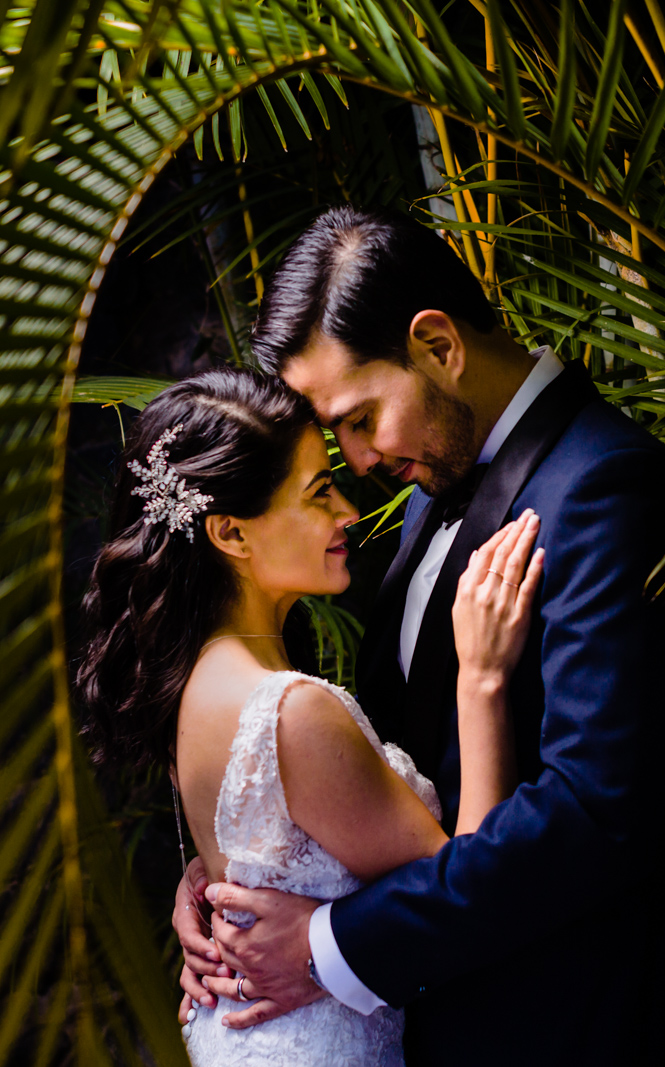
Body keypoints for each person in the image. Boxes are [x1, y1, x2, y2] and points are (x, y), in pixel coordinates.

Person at [169, 206, 665, 1065]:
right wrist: (244, 877)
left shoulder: (609, 487)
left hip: (561, 1028)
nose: (353, 459)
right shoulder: (431, 480)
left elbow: (592, 818)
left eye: (355, 417)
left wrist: (326, 945)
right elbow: (384, 766)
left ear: (438, 346)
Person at [77, 369, 543, 1066]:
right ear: (230, 531)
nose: (348, 512)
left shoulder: (190, 685)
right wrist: (481, 680)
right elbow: (471, 901)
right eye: (319, 492)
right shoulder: (290, 712)